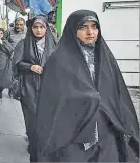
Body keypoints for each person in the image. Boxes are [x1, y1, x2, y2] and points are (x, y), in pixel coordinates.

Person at [35, 10, 139, 162]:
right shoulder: (58, 60)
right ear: (73, 30)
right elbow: (51, 102)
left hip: (106, 131)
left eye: (94, 26)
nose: (90, 32)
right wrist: (86, 97)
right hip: (73, 134)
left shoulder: (105, 58)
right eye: (83, 27)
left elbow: (119, 95)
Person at [12, 16, 56, 161]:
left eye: (41, 27)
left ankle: (41, 146)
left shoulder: (54, 44)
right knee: (32, 119)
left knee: (46, 119)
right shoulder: (24, 44)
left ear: (46, 29)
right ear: (31, 28)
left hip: (48, 88)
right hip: (29, 87)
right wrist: (30, 66)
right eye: (36, 27)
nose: (38, 30)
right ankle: (33, 142)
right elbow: (16, 64)